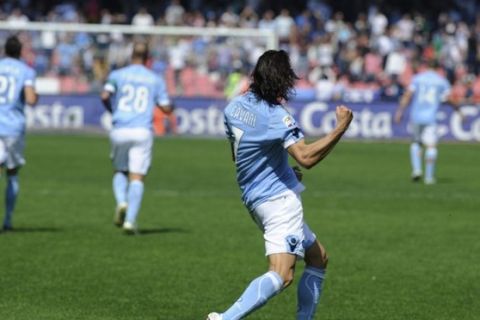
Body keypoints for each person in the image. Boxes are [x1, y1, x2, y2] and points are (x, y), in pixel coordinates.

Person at [207, 50, 353, 320]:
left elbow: (242, 156)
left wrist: (283, 171)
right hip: (279, 202)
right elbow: (306, 157)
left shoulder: (234, 107)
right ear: (284, 80)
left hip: (255, 198)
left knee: (318, 257)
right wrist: (340, 128)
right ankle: (225, 318)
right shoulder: (276, 116)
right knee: (282, 274)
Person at [101, 42, 172, 234]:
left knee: (119, 170)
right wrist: (168, 107)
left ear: (131, 55)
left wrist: (114, 111)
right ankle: (130, 221)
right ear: (149, 58)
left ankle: (122, 202)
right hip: (142, 130)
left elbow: (105, 95)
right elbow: (165, 107)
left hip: (120, 129)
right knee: (137, 177)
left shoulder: (117, 75)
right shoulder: (155, 79)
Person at [394, 61, 461, 184]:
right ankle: (429, 177)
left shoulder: (417, 78)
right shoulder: (441, 81)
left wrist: (400, 111)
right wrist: (459, 110)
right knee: (431, 146)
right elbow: (449, 98)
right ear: (437, 68)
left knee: (416, 142)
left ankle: (417, 170)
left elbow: (408, 95)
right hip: (431, 117)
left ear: (426, 67)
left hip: (416, 116)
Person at [0, 35, 38, 231]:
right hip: (13, 128)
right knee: (12, 174)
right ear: (20, 52)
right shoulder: (26, 71)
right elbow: (31, 99)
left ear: (5, 50)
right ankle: (7, 220)